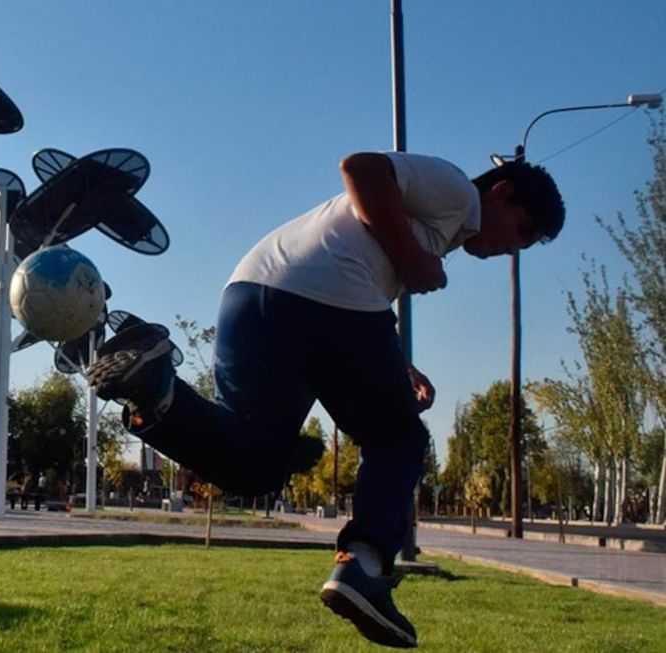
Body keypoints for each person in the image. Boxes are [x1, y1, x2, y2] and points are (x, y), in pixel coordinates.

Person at [87, 152, 564, 648]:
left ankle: (156, 390)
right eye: (522, 231)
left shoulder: (438, 222)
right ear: (502, 191)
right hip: (324, 299)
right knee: (399, 439)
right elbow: (361, 168)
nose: (511, 248)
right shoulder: (460, 192)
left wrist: (398, 361)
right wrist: (414, 262)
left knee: (256, 463)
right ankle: (364, 567)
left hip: (252, 296)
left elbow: (362, 288)